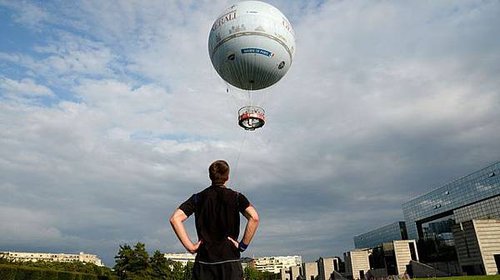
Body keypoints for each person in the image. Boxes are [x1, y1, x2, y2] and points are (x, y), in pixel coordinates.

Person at [170, 160, 259, 280]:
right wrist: (242, 246)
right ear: (227, 177)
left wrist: (190, 247)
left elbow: (175, 219)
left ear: (210, 176)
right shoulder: (236, 197)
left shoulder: (198, 198)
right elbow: (254, 218)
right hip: (230, 261)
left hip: (204, 263)